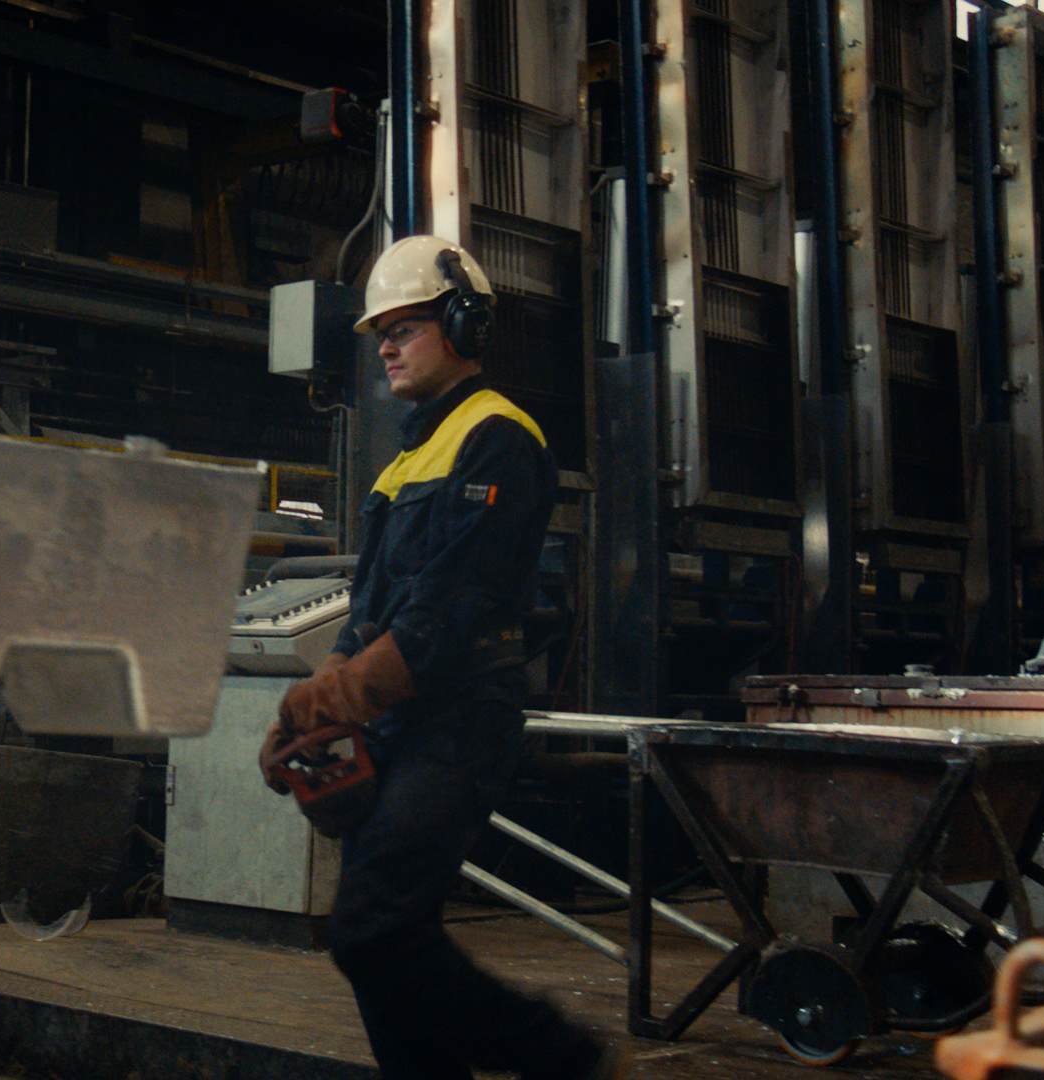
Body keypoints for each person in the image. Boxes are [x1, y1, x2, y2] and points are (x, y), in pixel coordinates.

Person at [260, 236, 619, 1080]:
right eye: (379, 331)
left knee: (372, 927)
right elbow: (371, 610)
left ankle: (564, 1058)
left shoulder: (499, 438)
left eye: (404, 326)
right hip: (396, 719)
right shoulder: (407, 461)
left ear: (462, 323)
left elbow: (454, 609)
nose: (383, 345)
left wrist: (338, 697)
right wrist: (306, 710)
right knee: (384, 940)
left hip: (459, 715)